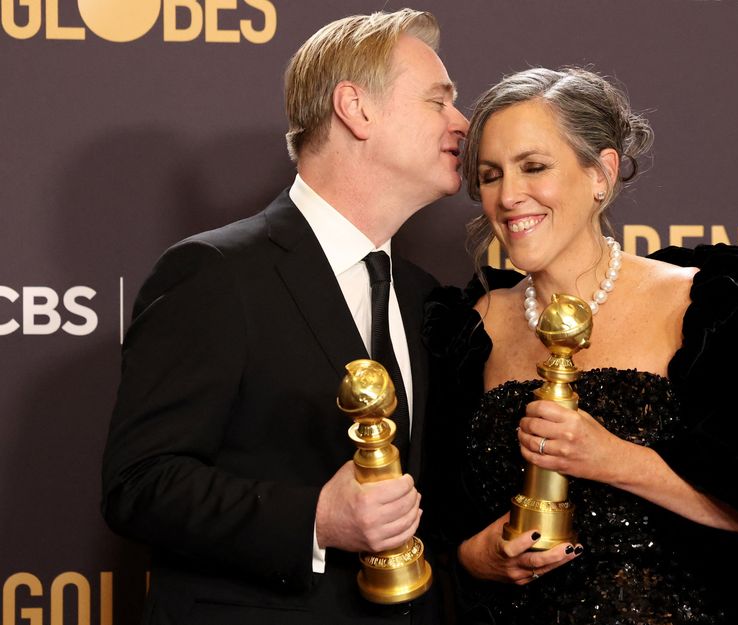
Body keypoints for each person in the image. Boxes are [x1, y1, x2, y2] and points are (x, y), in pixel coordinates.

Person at [422, 67, 738, 624]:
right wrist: (477, 558)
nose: (509, 196)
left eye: (534, 167)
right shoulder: (466, 333)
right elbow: (434, 521)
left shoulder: (704, 310)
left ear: (601, 172)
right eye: (490, 175)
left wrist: (612, 459)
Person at [100, 9, 467, 624]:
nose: (461, 121)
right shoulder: (216, 272)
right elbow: (139, 483)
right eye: (439, 100)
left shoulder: (422, 294)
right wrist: (315, 519)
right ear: (356, 108)